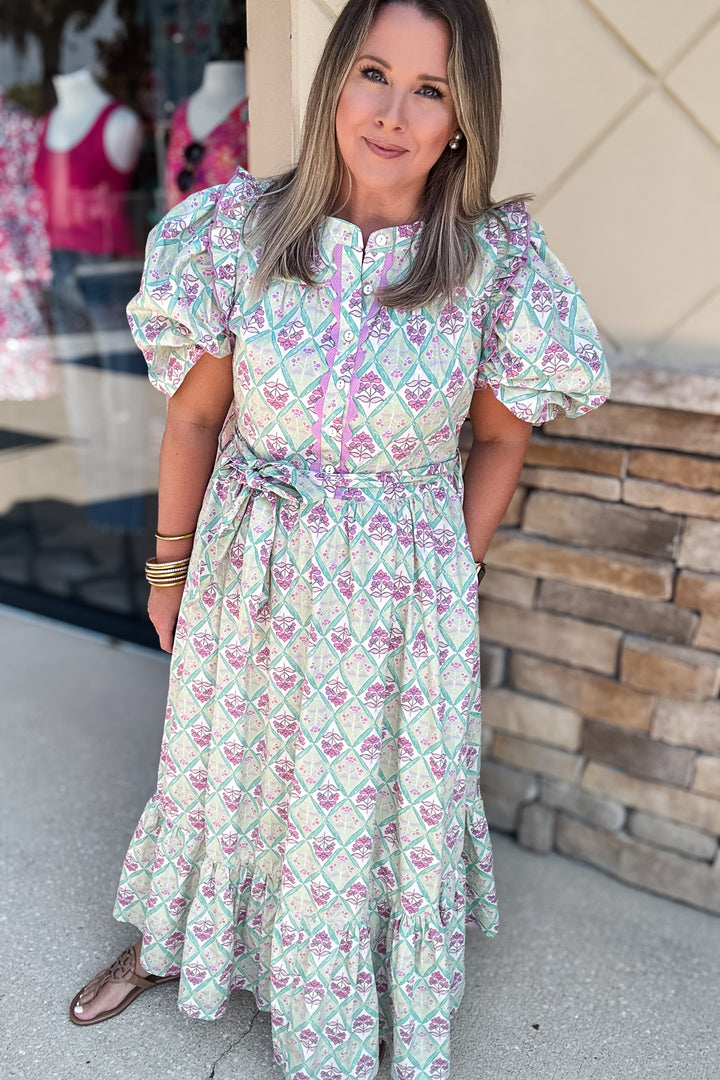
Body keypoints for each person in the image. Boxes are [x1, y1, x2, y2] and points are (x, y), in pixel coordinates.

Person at [69, 0, 610, 1076]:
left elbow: (501, 439)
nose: (393, 112)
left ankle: (342, 995)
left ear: (462, 118)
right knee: (223, 768)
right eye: (373, 72)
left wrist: (454, 568)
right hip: (251, 566)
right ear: (334, 84)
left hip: (396, 593)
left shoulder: (493, 265)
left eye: (430, 89)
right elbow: (195, 419)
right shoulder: (242, 233)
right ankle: (176, 940)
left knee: (355, 807)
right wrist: (169, 569)